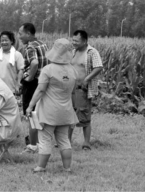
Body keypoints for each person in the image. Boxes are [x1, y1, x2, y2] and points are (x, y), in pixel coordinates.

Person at [26, 38, 79, 173]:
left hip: (49, 112)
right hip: (66, 111)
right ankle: (67, 168)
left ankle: (41, 167)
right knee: (64, 140)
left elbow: (40, 90)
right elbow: (73, 93)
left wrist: (30, 106)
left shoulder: (47, 70)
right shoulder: (73, 71)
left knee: (44, 139)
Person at [69, 30, 103, 150]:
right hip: (71, 88)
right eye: (73, 40)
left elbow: (98, 67)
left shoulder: (91, 52)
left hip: (82, 89)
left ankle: (86, 143)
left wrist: (86, 79)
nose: (73, 42)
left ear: (84, 41)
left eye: (76, 41)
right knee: (69, 114)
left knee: (84, 115)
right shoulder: (73, 52)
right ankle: (67, 142)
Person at [19, 23, 49, 154]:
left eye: (21, 34)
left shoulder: (30, 47)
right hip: (43, 82)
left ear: (28, 34)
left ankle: (32, 145)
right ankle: (38, 142)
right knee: (39, 112)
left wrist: (29, 78)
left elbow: (35, 62)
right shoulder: (42, 44)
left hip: (33, 83)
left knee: (30, 113)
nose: (19, 37)